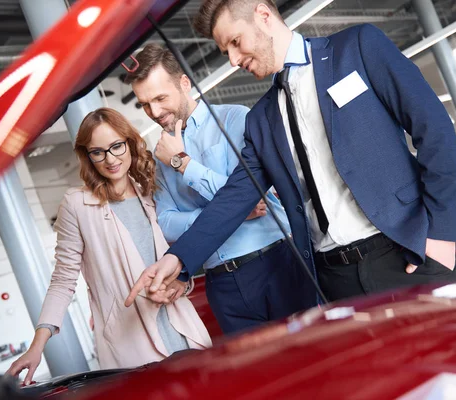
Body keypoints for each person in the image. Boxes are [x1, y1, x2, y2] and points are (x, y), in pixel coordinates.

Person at [125, 0, 456, 307]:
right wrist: (177, 260)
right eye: (224, 49)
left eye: (235, 42)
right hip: (335, 281)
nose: (232, 59)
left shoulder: (358, 48)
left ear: (263, 15)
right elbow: (232, 200)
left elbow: (434, 129)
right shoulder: (261, 119)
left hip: (405, 253)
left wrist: (442, 235)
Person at [6, 108, 211, 385]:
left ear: (129, 142)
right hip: (129, 341)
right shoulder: (77, 204)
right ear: (87, 156)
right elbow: (62, 281)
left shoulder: (152, 193)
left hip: (181, 325)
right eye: (98, 152)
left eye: (116, 146)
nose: (110, 159)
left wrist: (181, 284)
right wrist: (37, 346)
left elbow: (180, 257)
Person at [124, 44, 316, 334]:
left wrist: (183, 163)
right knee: (260, 376)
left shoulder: (235, 120)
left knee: (313, 356)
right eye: (145, 104)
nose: (155, 111)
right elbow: (166, 224)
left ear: (184, 83)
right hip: (223, 286)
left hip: (276, 264)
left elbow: (252, 194)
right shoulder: (158, 156)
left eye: (160, 98)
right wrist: (228, 212)